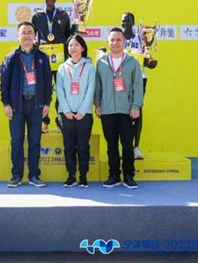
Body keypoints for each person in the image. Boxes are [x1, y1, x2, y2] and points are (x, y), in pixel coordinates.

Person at [0, 22, 52, 187]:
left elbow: (48, 83)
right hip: (17, 106)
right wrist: (6, 104)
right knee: (16, 142)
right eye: (24, 32)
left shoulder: (42, 57)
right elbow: (4, 84)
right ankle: (16, 176)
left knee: (35, 142)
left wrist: (47, 103)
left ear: (34, 35)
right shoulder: (11, 58)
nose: (27, 35)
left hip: (36, 105)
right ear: (18, 36)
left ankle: (34, 175)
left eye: (30, 32)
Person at [94, 28, 144, 188]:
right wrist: (97, 104)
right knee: (111, 145)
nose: (115, 43)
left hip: (127, 110)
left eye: (118, 40)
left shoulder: (132, 62)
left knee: (127, 145)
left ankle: (128, 175)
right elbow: (98, 86)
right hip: (107, 110)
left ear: (124, 42)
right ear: (107, 42)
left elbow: (138, 86)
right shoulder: (101, 63)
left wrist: (136, 105)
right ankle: (114, 175)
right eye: (112, 40)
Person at [56, 35, 95, 188]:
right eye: (70, 45)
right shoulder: (62, 68)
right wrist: (66, 110)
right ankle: (71, 176)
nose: (73, 48)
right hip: (66, 114)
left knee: (83, 146)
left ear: (83, 48)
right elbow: (60, 91)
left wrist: (82, 111)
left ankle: (83, 176)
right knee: (69, 146)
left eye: (76, 45)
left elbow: (90, 91)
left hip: (84, 114)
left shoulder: (90, 67)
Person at [32, 0, 72, 132]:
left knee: (61, 90)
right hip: (44, 60)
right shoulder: (37, 17)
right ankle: (44, 120)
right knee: (43, 90)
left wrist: (79, 24)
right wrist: (34, 42)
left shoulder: (63, 15)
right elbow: (32, 35)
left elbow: (69, 37)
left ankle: (60, 119)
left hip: (61, 60)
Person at [121, 12, 157, 159]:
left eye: (128, 21)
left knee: (137, 111)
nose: (125, 23)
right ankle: (125, 147)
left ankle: (136, 147)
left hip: (139, 79)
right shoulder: (117, 38)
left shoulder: (140, 38)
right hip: (122, 80)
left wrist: (150, 63)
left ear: (133, 22)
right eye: (123, 21)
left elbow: (146, 59)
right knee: (123, 113)